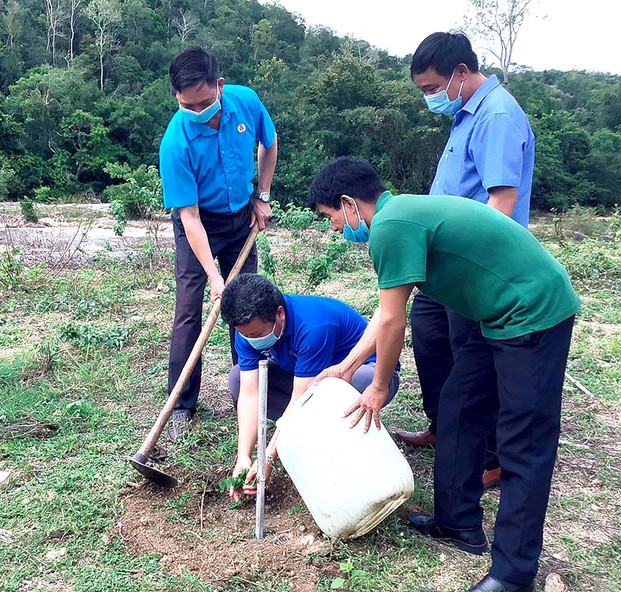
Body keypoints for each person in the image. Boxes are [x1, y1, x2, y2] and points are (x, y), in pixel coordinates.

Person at [308, 157, 579, 592]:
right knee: (457, 407)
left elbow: (395, 324)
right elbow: (386, 311)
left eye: (332, 218)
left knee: (522, 440)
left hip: (532, 312)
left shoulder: (390, 227)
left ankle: (514, 574)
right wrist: (346, 367)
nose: (337, 229)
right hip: (493, 314)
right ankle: (458, 523)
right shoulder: (401, 214)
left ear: (348, 203)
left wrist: (378, 387)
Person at [399, 32, 536, 490]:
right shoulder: (465, 114)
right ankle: (444, 428)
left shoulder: (496, 115)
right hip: (446, 260)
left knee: (472, 359)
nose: (429, 98)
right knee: (430, 333)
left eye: (432, 87)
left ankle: (489, 455)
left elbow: (502, 200)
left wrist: (467, 261)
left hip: (474, 264)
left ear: (460, 72)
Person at [159, 46, 279, 441]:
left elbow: (269, 143)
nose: (197, 111)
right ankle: (181, 405)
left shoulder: (245, 101)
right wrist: (213, 275)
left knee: (245, 303)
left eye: (205, 102)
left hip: (241, 214)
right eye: (187, 105)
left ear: (220, 86)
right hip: (199, 221)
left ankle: (243, 391)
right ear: (177, 97)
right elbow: (189, 217)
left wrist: (261, 196)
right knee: (190, 308)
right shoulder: (175, 141)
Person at [219, 273, 399, 500]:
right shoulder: (246, 332)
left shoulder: (314, 326)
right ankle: (306, 431)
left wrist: (269, 456)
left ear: (279, 314)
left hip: (365, 376)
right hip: (309, 378)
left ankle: (337, 450)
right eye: (244, 334)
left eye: (255, 334)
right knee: (237, 377)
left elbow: (301, 398)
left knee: (327, 393)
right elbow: (250, 392)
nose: (250, 339)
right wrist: (243, 456)